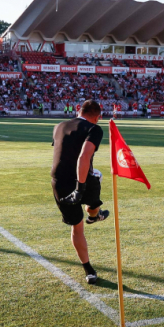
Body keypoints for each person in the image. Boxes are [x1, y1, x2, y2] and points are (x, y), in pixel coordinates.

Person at [51, 100, 110, 285]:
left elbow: (62, 152)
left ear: (79, 110)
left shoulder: (59, 126)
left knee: (77, 226)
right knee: (95, 187)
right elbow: (83, 156)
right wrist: (80, 188)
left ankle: (89, 270)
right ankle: (93, 214)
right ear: (97, 117)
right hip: (80, 179)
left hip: (58, 181)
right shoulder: (95, 128)